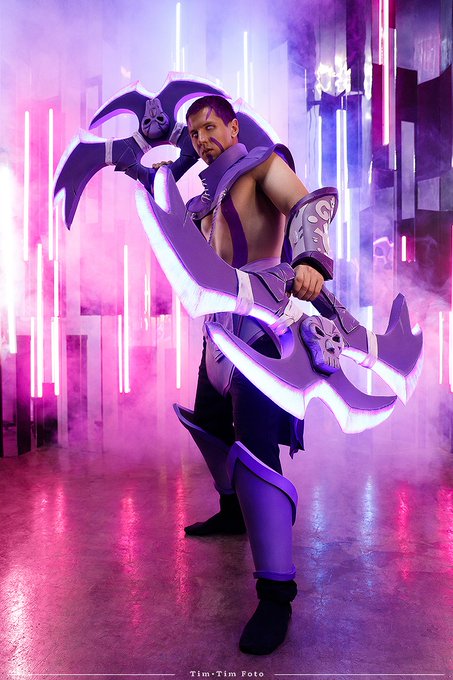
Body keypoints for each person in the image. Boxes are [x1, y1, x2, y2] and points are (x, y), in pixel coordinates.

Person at [170, 95, 334, 655]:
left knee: (258, 449)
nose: (202, 139)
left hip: (262, 325)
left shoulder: (263, 164)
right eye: (194, 133)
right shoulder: (202, 200)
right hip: (218, 328)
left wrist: (309, 261)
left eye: (210, 127)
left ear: (233, 126)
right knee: (213, 424)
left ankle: (275, 595)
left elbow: (308, 202)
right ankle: (231, 514)